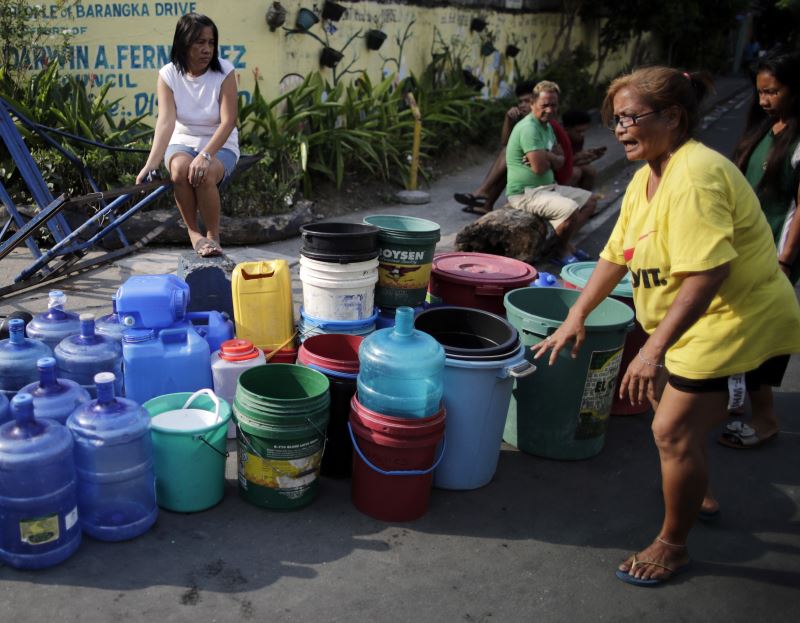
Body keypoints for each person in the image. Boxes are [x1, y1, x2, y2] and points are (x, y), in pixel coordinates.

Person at [532, 66, 800, 586]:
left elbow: (709, 273)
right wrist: (575, 316)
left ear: (674, 117)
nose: (620, 129)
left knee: (669, 427)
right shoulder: (645, 177)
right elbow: (616, 255)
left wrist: (651, 348)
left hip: (733, 317)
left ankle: (672, 544)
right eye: (616, 119)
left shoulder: (695, 175)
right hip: (696, 317)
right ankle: (695, 484)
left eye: (631, 117)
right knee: (664, 402)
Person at [721, 51, 800, 448]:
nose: (765, 99)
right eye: (761, 92)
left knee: (758, 337)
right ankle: (734, 399)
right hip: (743, 249)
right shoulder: (764, 129)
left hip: (775, 255)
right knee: (733, 325)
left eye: (773, 91)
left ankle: (766, 419)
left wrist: (785, 260)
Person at [136, 13, 239, 257]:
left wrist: (205, 155)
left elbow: (228, 121)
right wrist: (150, 165)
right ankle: (194, 234)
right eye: (199, 42)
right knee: (179, 171)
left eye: (211, 43)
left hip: (219, 143)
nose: (207, 49)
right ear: (183, 43)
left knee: (202, 174)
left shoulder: (224, 71)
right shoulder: (169, 74)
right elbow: (166, 122)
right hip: (182, 141)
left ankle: (213, 236)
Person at [505, 80, 596, 265]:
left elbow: (560, 161)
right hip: (526, 194)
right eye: (544, 105)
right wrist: (550, 157)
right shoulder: (529, 128)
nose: (549, 109)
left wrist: (547, 156)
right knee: (570, 208)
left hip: (547, 187)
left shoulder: (547, 127)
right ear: (532, 103)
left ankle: (565, 244)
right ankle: (561, 251)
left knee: (590, 202)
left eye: (553, 105)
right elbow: (539, 167)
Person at [453, 81, 574, 215]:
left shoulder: (545, 123)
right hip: (544, 169)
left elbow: (556, 159)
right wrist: (508, 120)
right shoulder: (529, 122)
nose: (522, 105)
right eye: (520, 102)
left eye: (526, 101)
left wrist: (546, 156)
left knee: (509, 154)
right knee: (512, 157)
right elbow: (505, 142)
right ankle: (485, 202)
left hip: (556, 175)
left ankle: (483, 191)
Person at [562, 109, 607, 191]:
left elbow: (577, 160)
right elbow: (561, 164)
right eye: (579, 131)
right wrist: (578, 157)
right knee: (575, 173)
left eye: (584, 131)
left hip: (571, 164)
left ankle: (586, 198)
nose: (582, 134)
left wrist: (590, 156)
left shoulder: (578, 139)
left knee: (590, 170)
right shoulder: (561, 140)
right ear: (567, 129)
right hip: (560, 170)